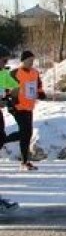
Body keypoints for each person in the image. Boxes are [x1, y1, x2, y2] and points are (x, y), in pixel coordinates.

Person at [10, 50, 46, 171]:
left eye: (33, 60)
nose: (31, 62)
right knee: (25, 132)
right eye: (29, 60)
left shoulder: (35, 72)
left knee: (27, 133)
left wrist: (41, 93)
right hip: (18, 107)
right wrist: (11, 103)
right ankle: (24, 161)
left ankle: (25, 162)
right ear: (23, 60)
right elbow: (7, 89)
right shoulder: (15, 73)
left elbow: (38, 85)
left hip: (29, 107)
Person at [0, 44, 24, 205]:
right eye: (4, 60)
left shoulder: (2, 74)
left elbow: (15, 88)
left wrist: (8, 97)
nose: (6, 64)